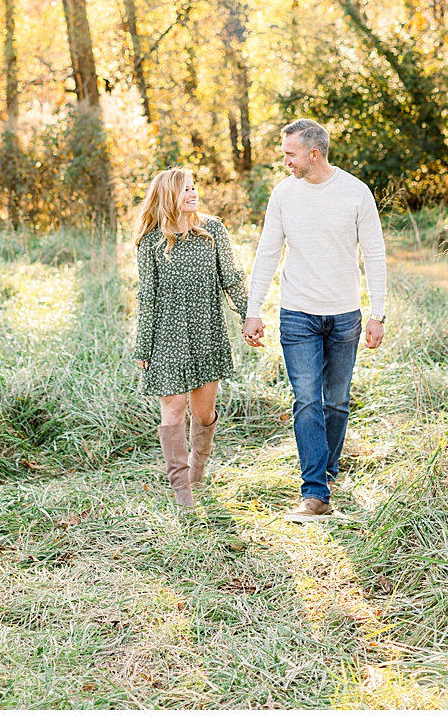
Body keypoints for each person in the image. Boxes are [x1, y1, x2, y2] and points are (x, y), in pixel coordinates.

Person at [241, 118, 389, 522]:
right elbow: (267, 253)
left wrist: (377, 312)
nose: (285, 160)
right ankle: (315, 494)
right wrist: (254, 309)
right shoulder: (283, 195)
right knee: (307, 399)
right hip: (298, 314)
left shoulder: (355, 193)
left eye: (289, 153)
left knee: (337, 402)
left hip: (344, 315)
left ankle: (327, 472)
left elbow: (374, 254)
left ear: (313, 153)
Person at [132, 168, 248, 509]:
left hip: (206, 330)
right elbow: (147, 295)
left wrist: (248, 313)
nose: (193, 194)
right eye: (185, 190)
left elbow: (231, 276)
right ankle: (182, 490)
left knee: (202, 411)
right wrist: (144, 344)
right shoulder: (150, 241)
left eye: (194, 188)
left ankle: (197, 471)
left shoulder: (212, 230)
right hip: (166, 335)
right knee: (173, 408)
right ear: (168, 197)